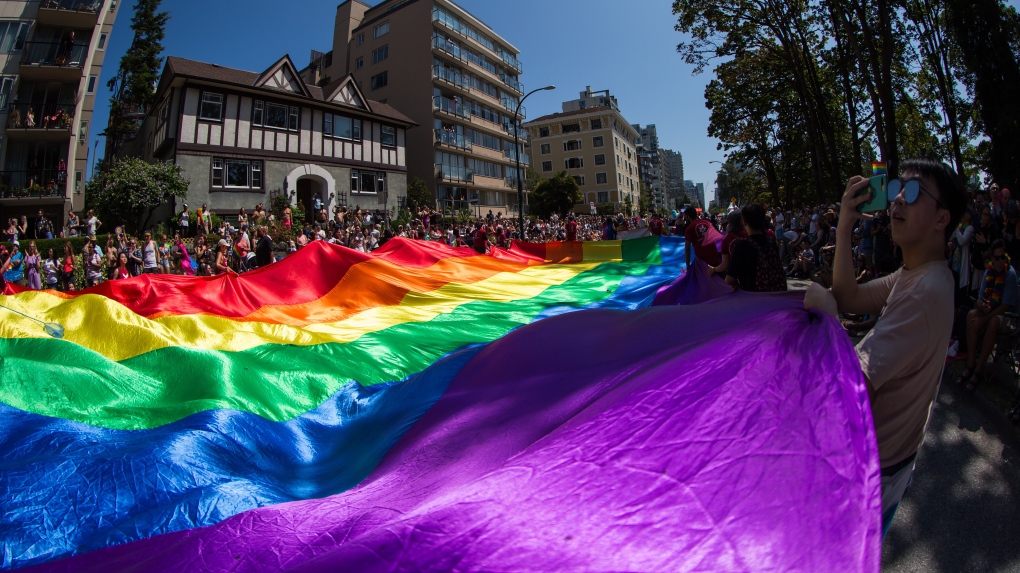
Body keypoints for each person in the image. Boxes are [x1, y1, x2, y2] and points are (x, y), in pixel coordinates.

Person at [804, 159, 968, 537]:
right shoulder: (919, 272)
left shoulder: (925, 291)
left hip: (874, 470)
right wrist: (845, 223)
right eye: (897, 190)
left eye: (913, 193)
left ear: (943, 219)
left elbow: (850, 389)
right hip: (888, 464)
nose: (897, 202)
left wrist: (828, 319)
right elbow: (849, 294)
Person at [957, 240, 1018, 390]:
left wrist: (984, 318)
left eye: (1002, 257)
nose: (1000, 261)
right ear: (992, 259)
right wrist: (980, 306)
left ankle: (978, 370)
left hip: (1006, 315)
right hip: (990, 309)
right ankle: (971, 363)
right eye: (996, 258)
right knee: (971, 314)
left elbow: (1005, 306)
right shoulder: (989, 272)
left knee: (994, 322)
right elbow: (980, 297)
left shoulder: (1010, 274)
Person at [727, 203, 787, 292]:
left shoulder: (742, 245)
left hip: (753, 298)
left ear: (744, 222)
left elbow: (729, 279)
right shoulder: (771, 242)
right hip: (775, 296)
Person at [710, 211, 746, 278]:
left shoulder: (726, 240)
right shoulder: (749, 235)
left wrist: (713, 269)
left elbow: (724, 265)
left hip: (735, 277)